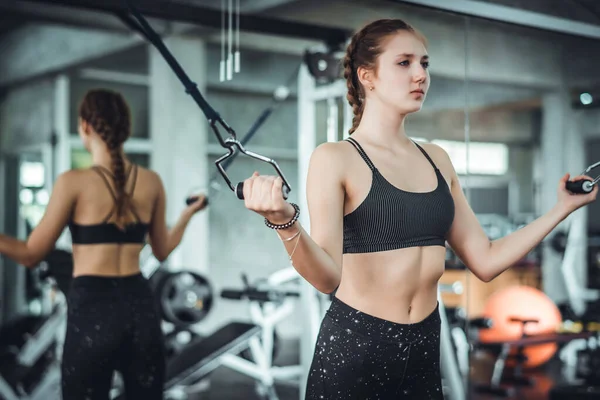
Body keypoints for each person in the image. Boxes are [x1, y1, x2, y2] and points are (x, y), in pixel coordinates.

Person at [241, 18, 598, 400]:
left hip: (425, 348)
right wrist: (283, 221)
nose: (420, 75)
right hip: (357, 348)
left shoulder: (437, 159)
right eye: (404, 62)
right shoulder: (337, 158)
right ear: (367, 76)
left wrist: (562, 208)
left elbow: (487, 260)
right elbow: (327, 278)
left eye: (424, 64)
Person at [0, 88, 207, 400]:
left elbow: (31, 254)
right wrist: (188, 214)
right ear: (125, 127)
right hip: (139, 304)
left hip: (92, 308)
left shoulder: (73, 182)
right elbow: (163, 250)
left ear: (85, 126)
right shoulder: (150, 181)